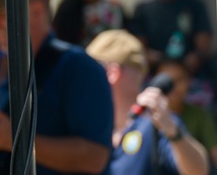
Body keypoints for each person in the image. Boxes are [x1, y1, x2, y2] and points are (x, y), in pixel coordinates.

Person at [0, 0, 113, 175]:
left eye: (1, 13)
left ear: (36, 11)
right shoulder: (12, 68)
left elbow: (95, 158)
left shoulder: (79, 68)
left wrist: (12, 140)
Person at [86, 30, 208, 175]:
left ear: (112, 73)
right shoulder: (91, 125)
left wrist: (172, 131)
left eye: (88, 71)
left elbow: (199, 172)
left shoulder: (158, 122)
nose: (81, 80)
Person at [156, 60, 217, 173]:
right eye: (166, 82)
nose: (173, 87)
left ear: (189, 81)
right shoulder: (146, 117)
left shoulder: (200, 115)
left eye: (179, 80)